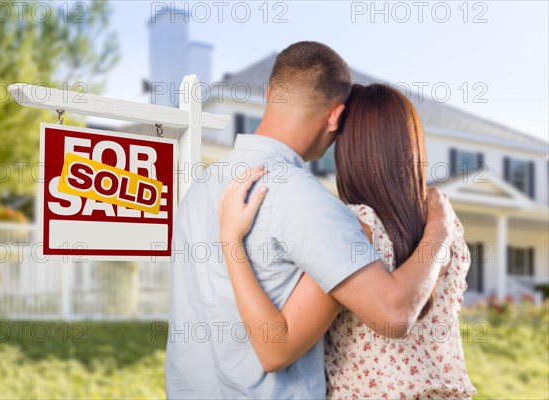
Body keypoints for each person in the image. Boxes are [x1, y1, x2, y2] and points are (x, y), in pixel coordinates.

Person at [166, 41, 455, 399]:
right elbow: (392, 316)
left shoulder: (201, 188)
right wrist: (441, 228)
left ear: (271, 92)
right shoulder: (307, 201)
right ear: (335, 117)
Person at [218, 83, 476, 399]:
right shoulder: (446, 224)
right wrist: (439, 231)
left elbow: (276, 347)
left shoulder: (356, 226)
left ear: (350, 149)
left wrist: (230, 240)